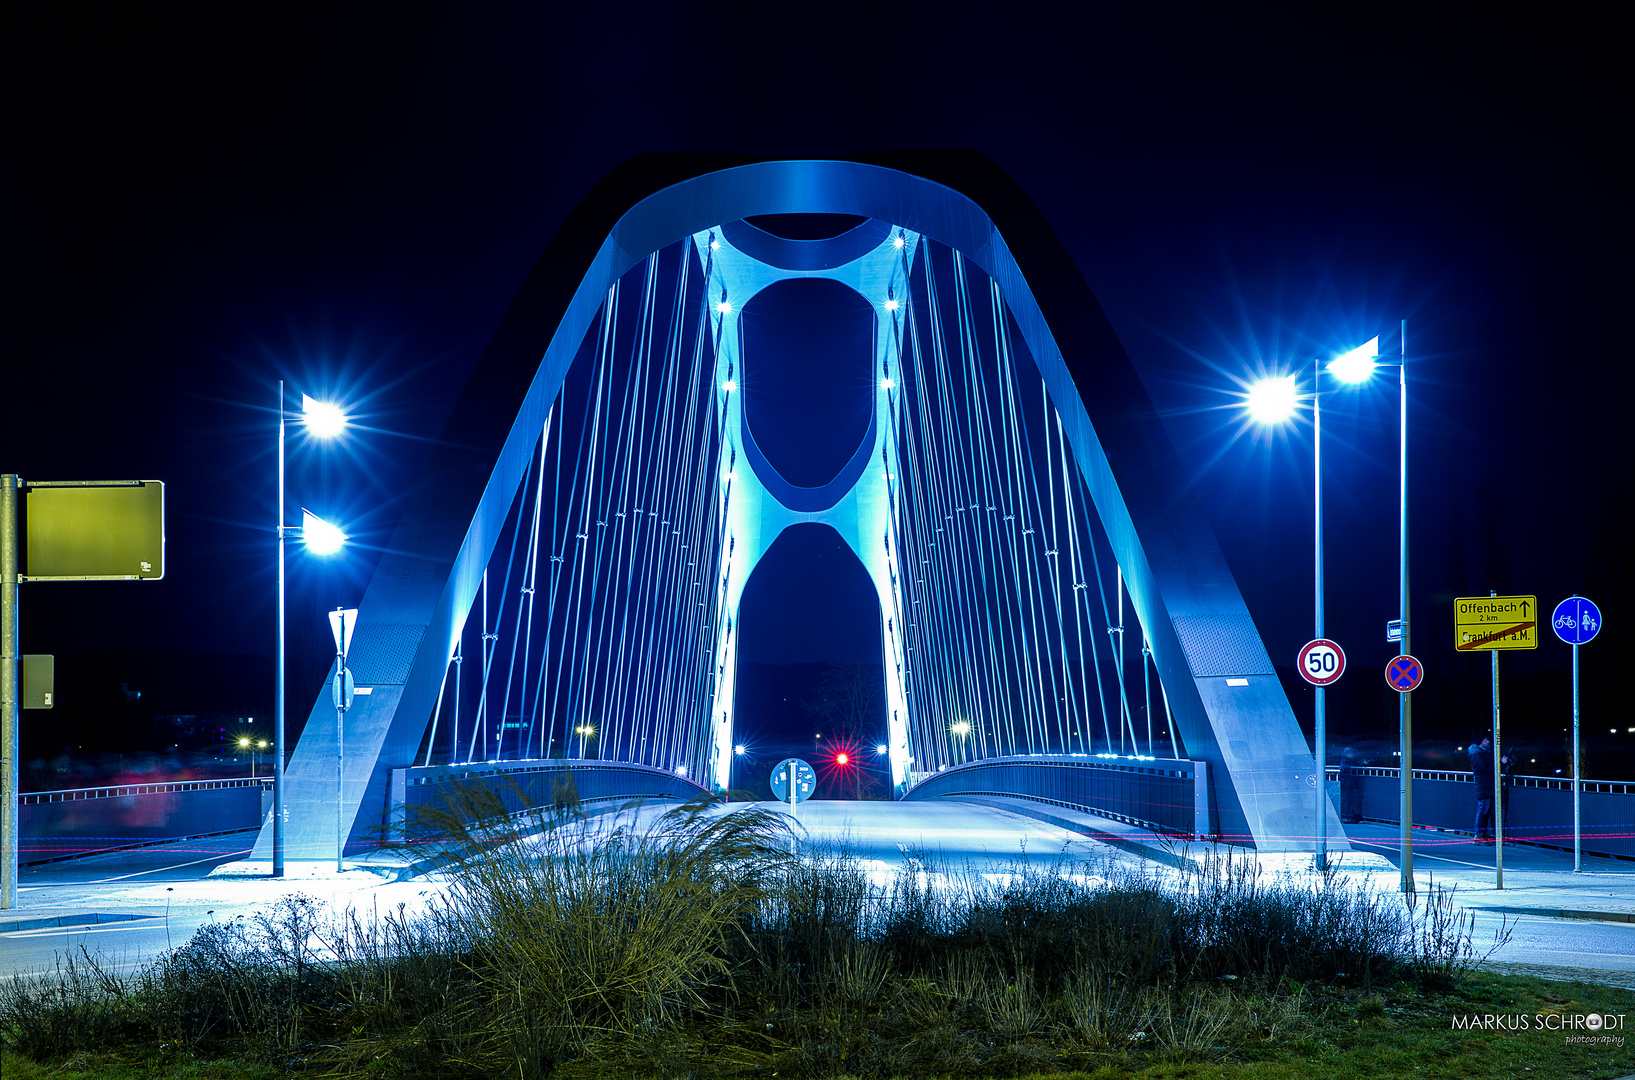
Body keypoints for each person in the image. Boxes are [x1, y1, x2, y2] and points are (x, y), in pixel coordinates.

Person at [1469, 737, 1494, 844]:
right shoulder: (1477, 755)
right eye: (1485, 740)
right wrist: (1500, 763)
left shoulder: (1482, 754)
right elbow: (1486, 769)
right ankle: (1478, 835)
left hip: (1487, 786)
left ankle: (1482, 834)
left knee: (1485, 812)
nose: (1488, 742)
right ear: (1481, 742)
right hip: (1484, 787)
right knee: (1483, 811)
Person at [1338, 747, 1364, 824]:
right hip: (1348, 783)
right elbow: (1345, 768)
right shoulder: (1346, 761)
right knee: (1348, 800)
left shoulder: (1349, 761)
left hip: (1349, 783)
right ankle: (1348, 816)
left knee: (1350, 800)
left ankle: (1350, 815)